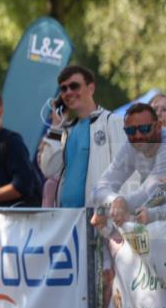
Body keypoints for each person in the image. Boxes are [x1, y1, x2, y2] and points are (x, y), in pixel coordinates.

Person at [38, 65, 127, 207]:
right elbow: (49, 169)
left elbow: (127, 173)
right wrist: (56, 127)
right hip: (67, 219)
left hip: (99, 219)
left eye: (74, 86)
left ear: (90, 88)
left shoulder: (113, 122)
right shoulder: (67, 130)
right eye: (64, 89)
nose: (68, 92)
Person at [91, 102, 166, 227]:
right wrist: (114, 201)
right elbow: (99, 188)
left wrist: (111, 207)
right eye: (130, 131)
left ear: (158, 126)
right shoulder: (131, 145)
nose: (137, 135)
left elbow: (151, 190)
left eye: (144, 129)